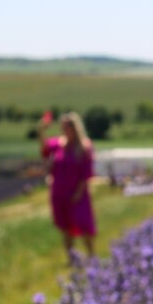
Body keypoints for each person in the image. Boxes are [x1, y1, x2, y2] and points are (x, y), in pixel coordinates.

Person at [38, 111, 97, 259]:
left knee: (83, 224)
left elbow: (86, 173)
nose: (64, 130)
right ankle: (72, 258)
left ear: (75, 128)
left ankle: (91, 257)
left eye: (66, 127)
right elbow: (44, 148)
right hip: (59, 193)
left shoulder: (84, 147)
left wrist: (78, 193)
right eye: (62, 127)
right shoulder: (59, 144)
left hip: (78, 194)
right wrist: (41, 129)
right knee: (65, 227)